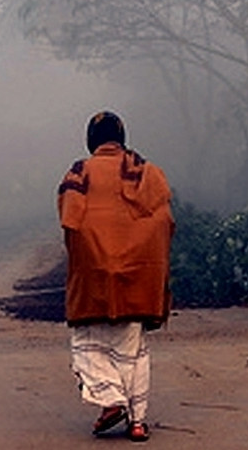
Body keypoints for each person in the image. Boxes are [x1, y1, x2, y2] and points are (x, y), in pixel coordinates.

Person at [57, 111, 174, 442]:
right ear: (121, 138)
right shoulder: (146, 172)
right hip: (138, 277)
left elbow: (71, 223)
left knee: (86, 344)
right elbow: (163, 223)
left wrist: (97, 258)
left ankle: (111, 401)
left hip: (94, 277)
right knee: (133, 351)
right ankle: (137, 423)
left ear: (91, 140)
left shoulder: (80, 173)